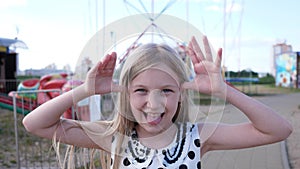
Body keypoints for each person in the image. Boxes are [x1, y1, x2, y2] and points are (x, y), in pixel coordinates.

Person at [22, 35, 293, 169]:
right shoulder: (113, 137)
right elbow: (35, 124)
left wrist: (226, 92)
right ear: (125, 94)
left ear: (181, 93)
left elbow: (278, 130)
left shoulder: (196, 137)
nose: (154, 103)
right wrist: (83, 90)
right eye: (141, 90)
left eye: (166, 90)